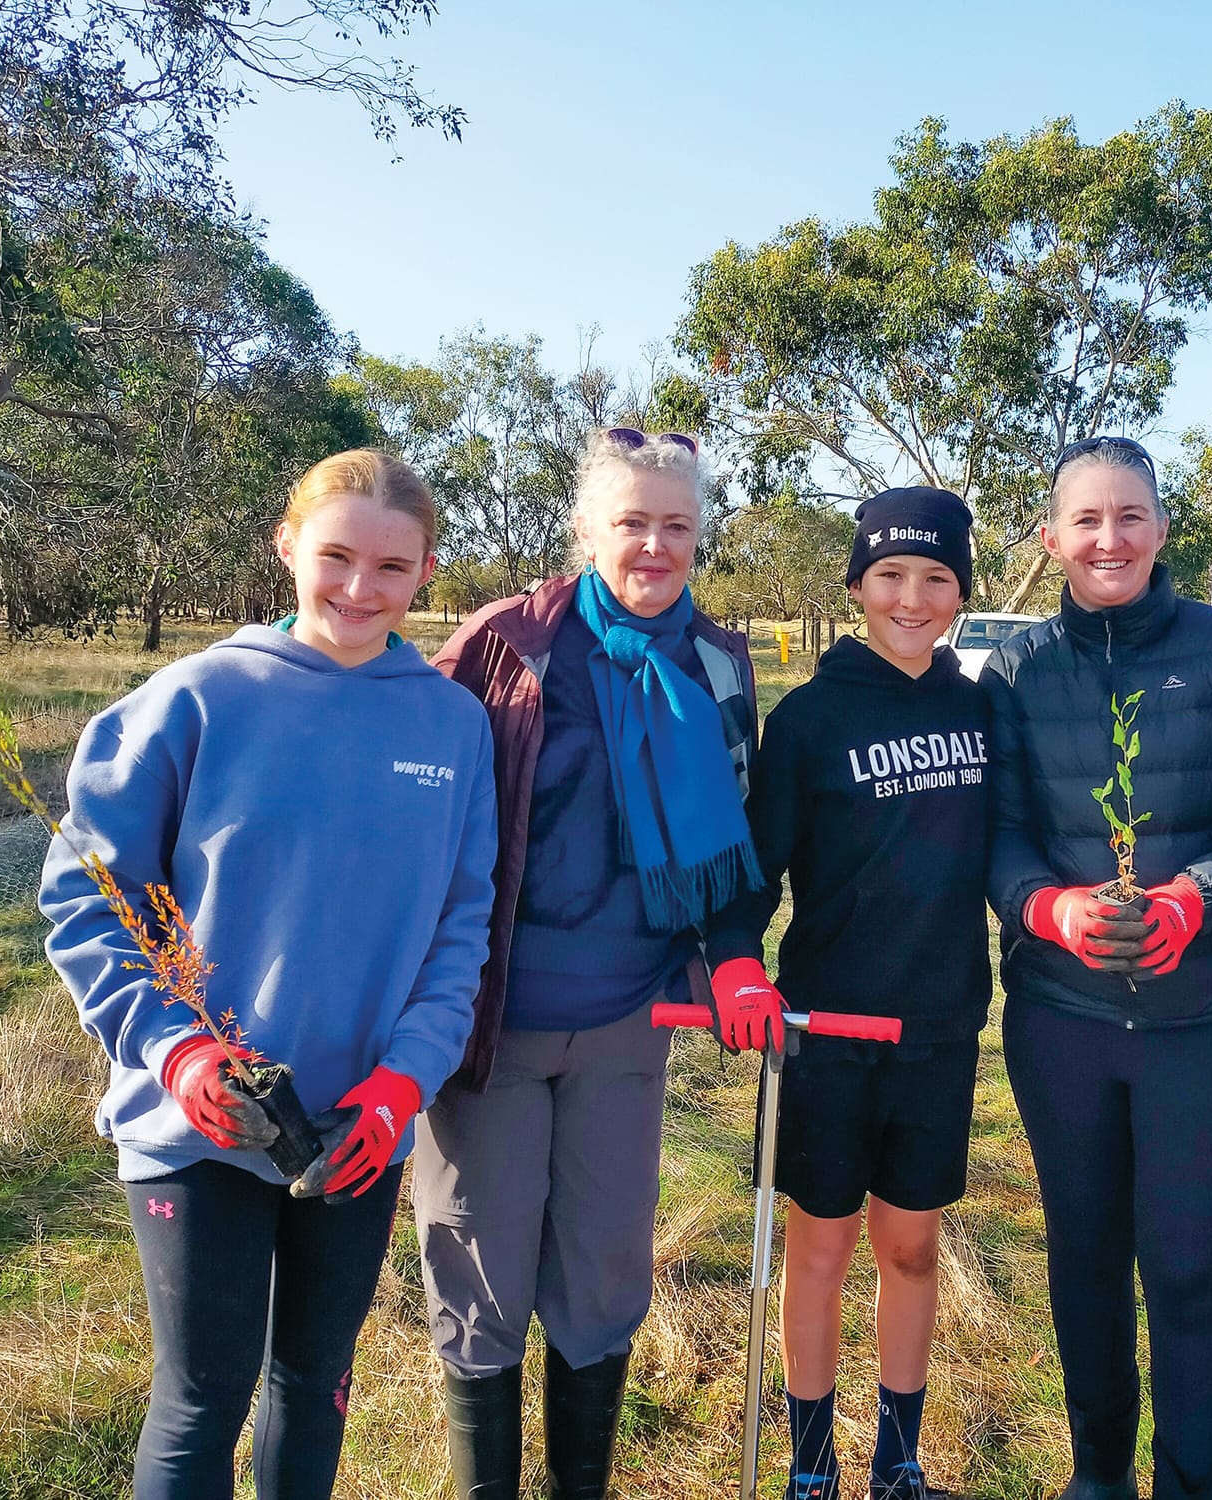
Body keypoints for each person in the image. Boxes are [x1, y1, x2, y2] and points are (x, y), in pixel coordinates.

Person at [40, 449, 498, 1500]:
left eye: (391, 567)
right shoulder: (195, 699)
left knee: (316, 1379)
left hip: (356, 1128)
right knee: (202, 1397)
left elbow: (457, 930)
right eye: (333, 555)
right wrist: (177, 1049)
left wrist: (401, 1086)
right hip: (196, 1119)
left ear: (426, 572)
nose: (357, 588)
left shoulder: (449, 725)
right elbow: (90, 897)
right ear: (287, 546)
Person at [415, 426, 771, 1500]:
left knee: (604, 1269)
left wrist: (736, 958)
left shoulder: (717, 662)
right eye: (632, 523)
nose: (654, 546)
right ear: (584, 530)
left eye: (677, 526)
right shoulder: (504, 645)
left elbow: (735, 832)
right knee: (478, 1265)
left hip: (630, 1024)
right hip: (494, 1020)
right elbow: (416, 799)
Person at [982, 437, 1212, 1500]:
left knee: (1184, 1269)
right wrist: (1047, 908)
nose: (1108, 539)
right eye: (1084, 520)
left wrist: (1197, 898)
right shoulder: (1016, 670)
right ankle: (1096, 1477)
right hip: (1061, 1018)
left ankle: (1189, 1484)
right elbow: (992, 834)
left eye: (1129, 515)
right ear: (1051, 542)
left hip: (1208, 1022)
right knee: (1083, 1261)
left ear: (1162, 529)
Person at [706, 487, 991, 1500]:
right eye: (889, 577)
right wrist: (736, 959)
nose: (911, 599)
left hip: (939, 1028)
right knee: (819, 1248)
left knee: (910, 1247)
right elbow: (755, 869)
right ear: (857, 584)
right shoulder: (811, 718)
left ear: (959, 590)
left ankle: (899, 1460)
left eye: (935, 579)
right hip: (823, 1030)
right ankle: (811, 1464)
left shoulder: (978, 708)